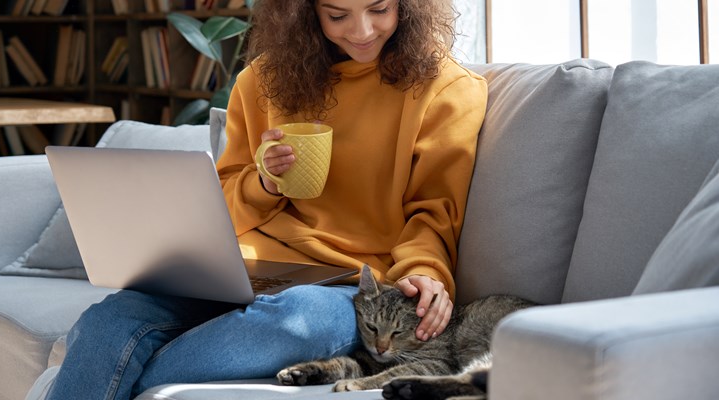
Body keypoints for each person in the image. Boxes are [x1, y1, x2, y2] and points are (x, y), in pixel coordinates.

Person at [36, 0, 487, 398]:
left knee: (298, 321)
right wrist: (265, 183)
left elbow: (435, 211)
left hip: (346, 285)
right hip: (245, 264)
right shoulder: (263, 80)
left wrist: (426, 274)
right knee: (109, 320)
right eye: (337, 15)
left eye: (380, 9)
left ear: (408, 7)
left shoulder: (446, 89)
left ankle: (101, 382)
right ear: (304, 11)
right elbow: (223, 204)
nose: (362, 30)